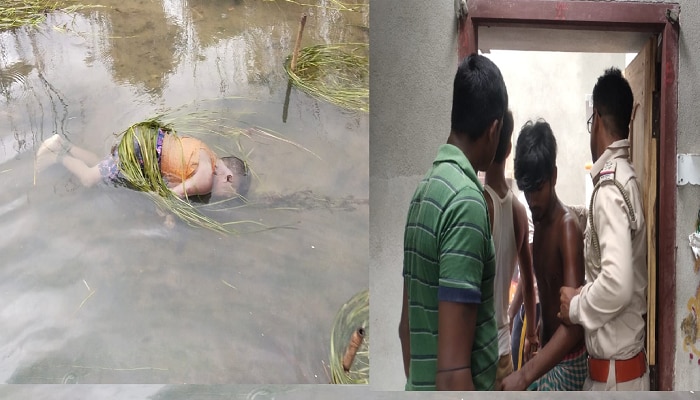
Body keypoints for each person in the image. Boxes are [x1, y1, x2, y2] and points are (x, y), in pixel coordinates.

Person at [398, 53, 507, 391]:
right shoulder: (466, 204)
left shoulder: (426, 190)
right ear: (494, 130)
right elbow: (452, 374)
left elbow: (406, 329)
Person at [559, 67, 648, 391]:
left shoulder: (610, 188)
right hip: (620, 375)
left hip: (614, 382)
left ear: (595, 118)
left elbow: (617, 283)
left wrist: (575, 307)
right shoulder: (626, 176)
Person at [501, 120, 587, 391]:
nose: (532, 199)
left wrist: (525, 374)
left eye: (538, 188)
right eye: (527, 190)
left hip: (570, 361)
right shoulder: (538, 223)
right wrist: (534, 331)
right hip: (550, 354)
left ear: (554, 176)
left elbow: (573, 326)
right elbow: (549, 293)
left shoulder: (567, 228)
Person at [36, 120, 250, 199]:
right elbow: (167, 196)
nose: (223, 197)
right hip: (141, 150)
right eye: (229, 194)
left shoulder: (206, 154)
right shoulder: (204, 181)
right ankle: (57, 156)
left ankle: (62, 143)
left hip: (146, 140)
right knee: (89, 178)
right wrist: (167, 214)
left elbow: (175, 181)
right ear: (228, 178)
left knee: (102, 164)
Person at [483, 109, 539, 388]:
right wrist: (531, 337)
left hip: (477, 351)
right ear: (508, 149)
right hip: (503, 350)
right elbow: (528, 281)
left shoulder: (479, 203)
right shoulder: (518, 210)